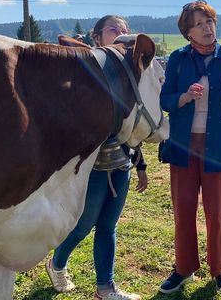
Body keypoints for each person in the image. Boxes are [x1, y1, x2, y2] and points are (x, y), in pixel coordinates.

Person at [46, 15, 146, 300]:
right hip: (92, 169)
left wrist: (140, 166)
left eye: (125, 30)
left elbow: (136, 125)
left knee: (108, 226)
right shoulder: (84, 73)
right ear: (97, 37)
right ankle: (57, 263)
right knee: (83, 225)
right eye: (114, 29)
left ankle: (105, 288)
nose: (121, 34)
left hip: (121, 166)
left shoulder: (130, 76)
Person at [158, 0, 221, 294]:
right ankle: (183, 268)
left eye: (209, 21)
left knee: (217, 212)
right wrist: (183, 97)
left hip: (217, 148)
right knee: (183, 210)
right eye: (198, 24)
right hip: (184, 146)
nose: (206, 28)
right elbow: (165, 99)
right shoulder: (178, 59)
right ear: (188, 32)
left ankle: (220, 268)